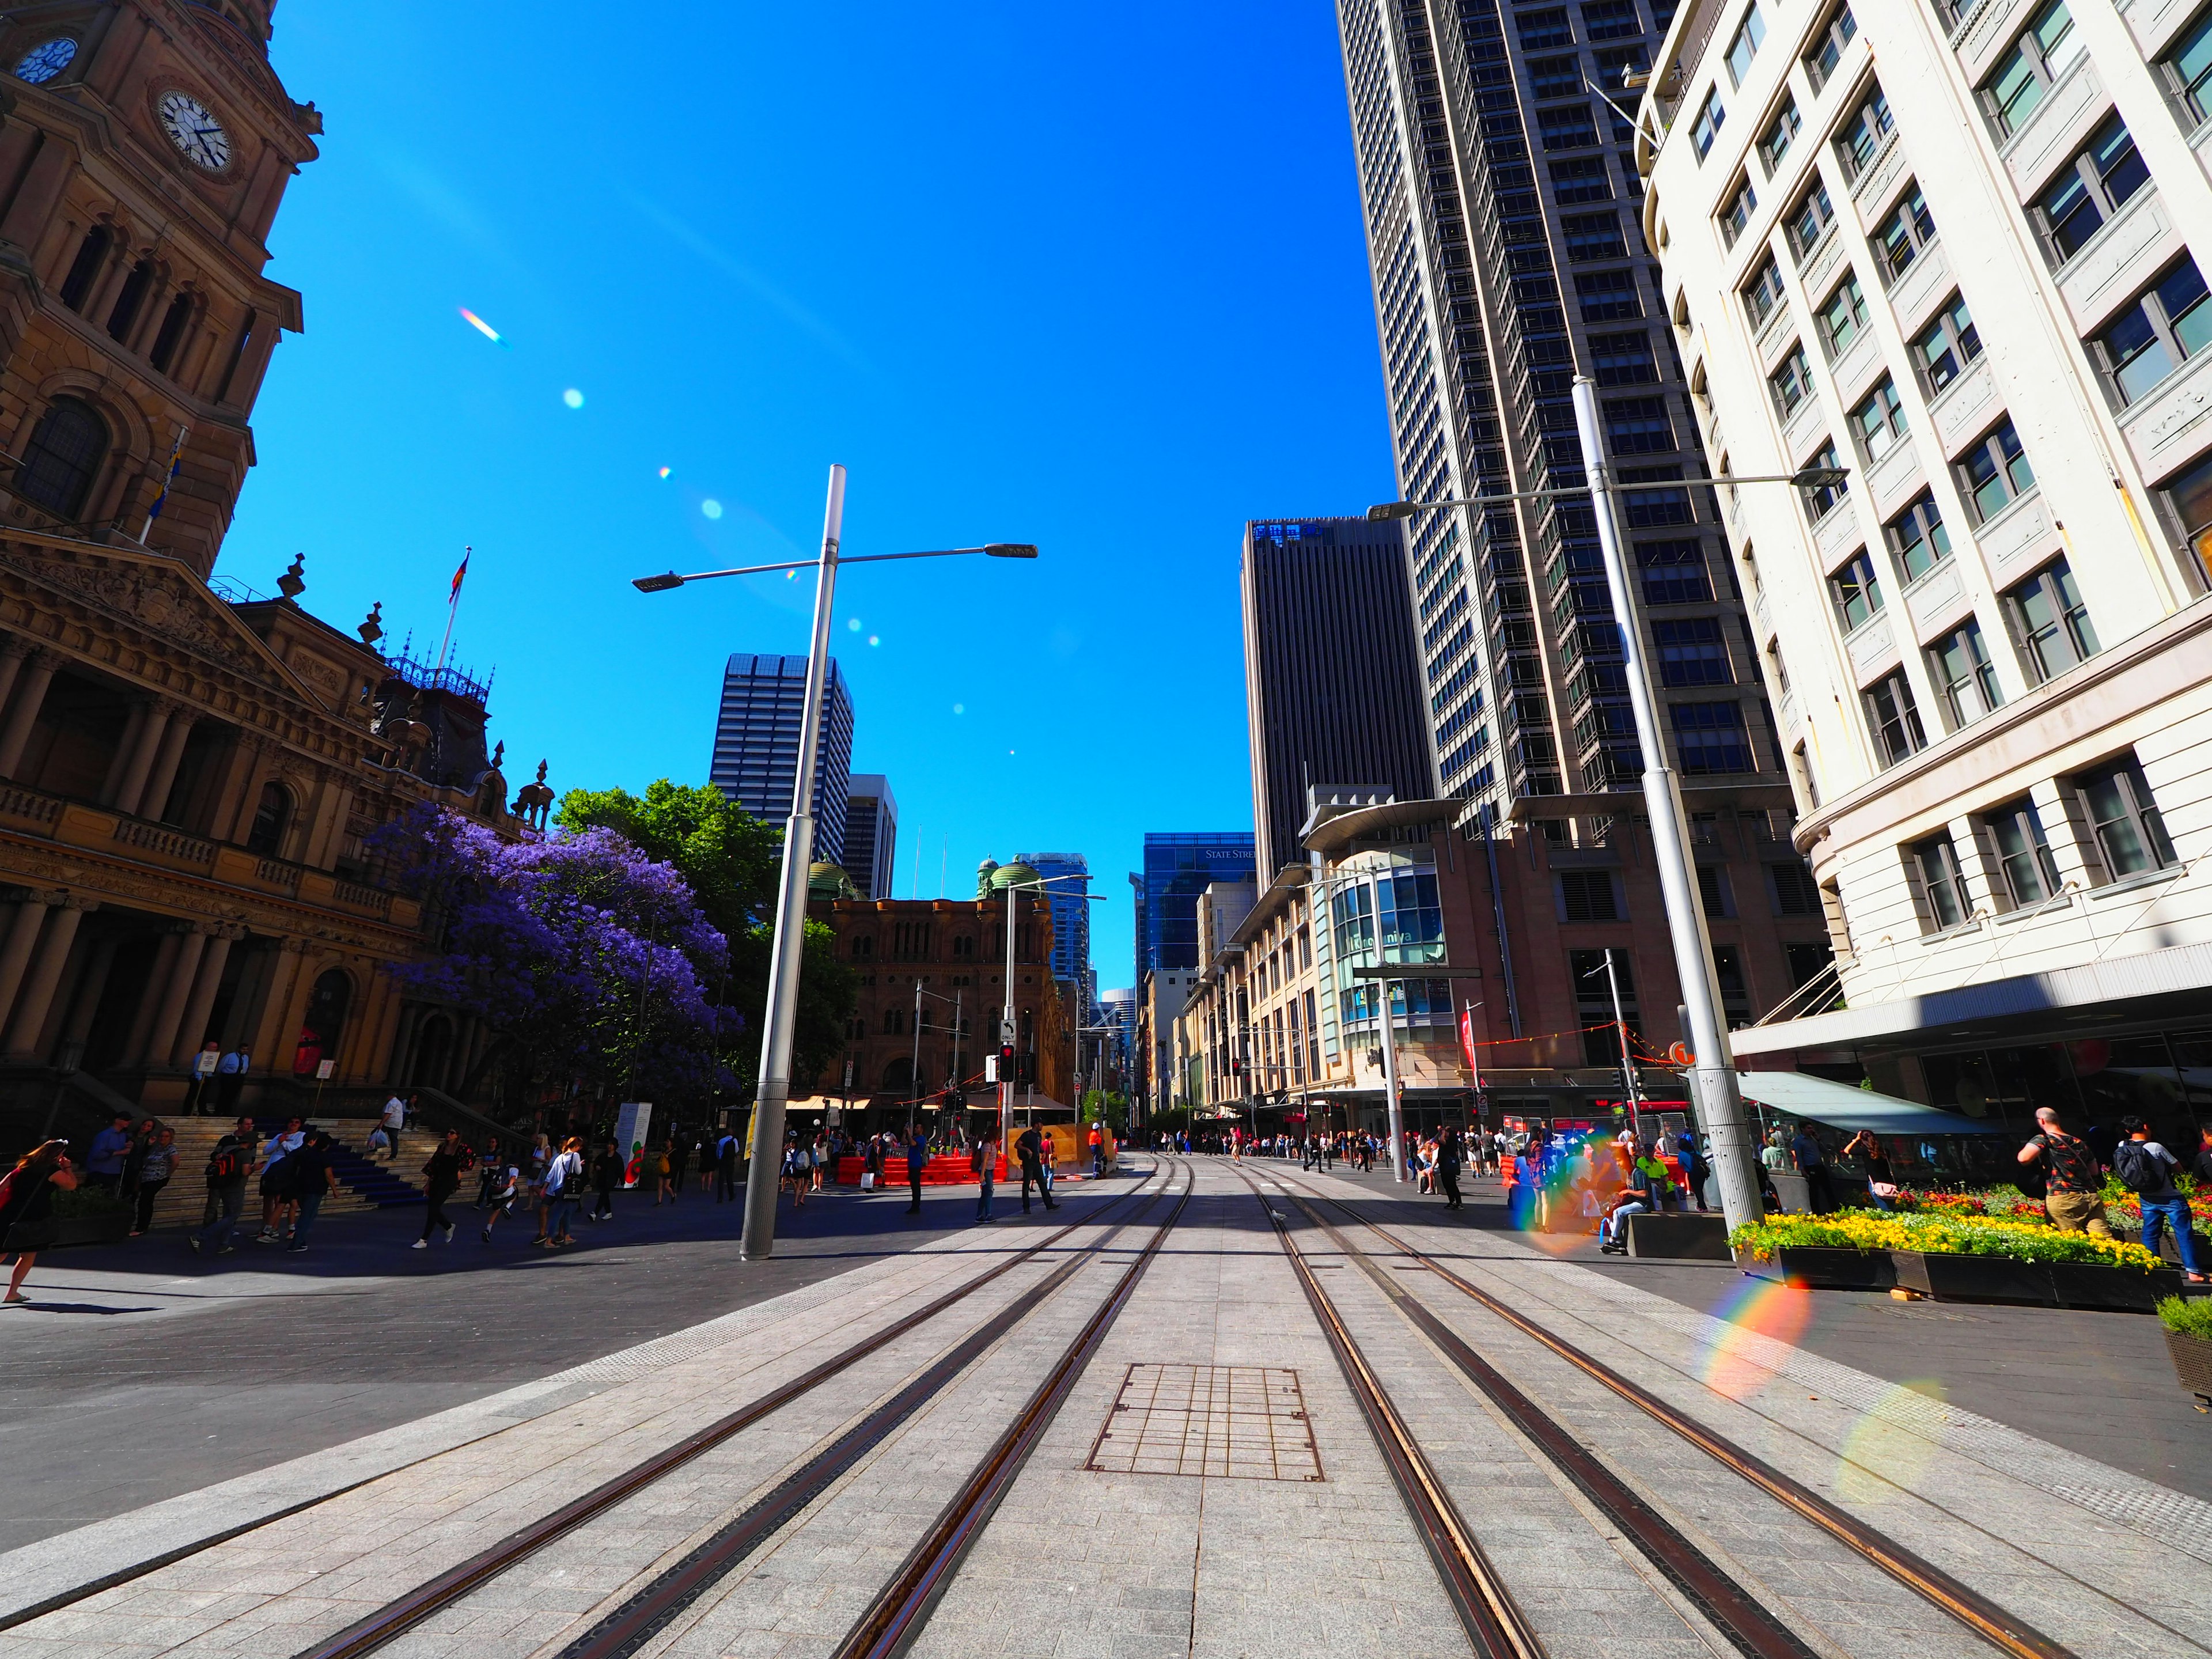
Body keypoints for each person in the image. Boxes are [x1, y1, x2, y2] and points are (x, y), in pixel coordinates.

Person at [2112, 1117, 2208, 1283]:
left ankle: (2153, 1267)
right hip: (2170, 1197)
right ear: (2146, 1126)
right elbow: (2178, 1168)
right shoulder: (2155, 1147)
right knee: (2184, 1233)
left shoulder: (2123, 1146)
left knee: (2150, 1232)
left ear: (2127, 1131)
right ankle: (2193, 1272)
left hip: (2146, 1196)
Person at [0, 1141, 77, 1302]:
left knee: (2, 1251)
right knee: (28, 1254)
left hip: (10, 1214)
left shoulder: (21, 1168)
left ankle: (13, 1293)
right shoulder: (52, 1170)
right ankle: (12, 1292)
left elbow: (1, 1187)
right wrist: (68, 1168)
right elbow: (71, 1185)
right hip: (35, 1216)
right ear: (57, 1155)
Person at [2017, 1107, 2109, 1237]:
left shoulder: (2044, 1139)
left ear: (2042, 1121)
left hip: (2063, 1197)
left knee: (2070, 1240)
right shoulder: (2079, 1142)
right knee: (2103, 1237)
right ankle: (2117, 1255)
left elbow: (2023, 1158)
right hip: (2090, 1196)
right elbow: (2094, 1171)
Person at [191, 1116, 256, 1256]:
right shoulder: (245, 1154)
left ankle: (224, 1244)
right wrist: (255, 1168)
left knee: (228, 1214)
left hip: (225, 1183)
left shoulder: (232, 1151)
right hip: (236, 1186)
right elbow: (246, 1171)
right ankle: (202, 1235)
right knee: (232, 1215)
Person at [285, 1129, 338, 1252]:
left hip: (301, 1187)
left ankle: (300, 1239)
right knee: (308, 1216)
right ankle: (297, 1242)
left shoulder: (305, 1154)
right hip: (315, 1189)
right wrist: (334, 1189)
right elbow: (329, 1175)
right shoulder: (324, 1158)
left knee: (307, 1213)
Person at [414, 1128, 465, 1248]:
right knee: (432, 1208)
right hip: (437, 1179)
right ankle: (448, 1226)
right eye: (448, 1132)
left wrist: (459, 1172)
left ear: (457, 1136)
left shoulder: (461, 1149)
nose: (449, 1134)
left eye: (452, 1133)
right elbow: (433, 1165)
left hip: (449, 1181)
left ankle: (424, 1239)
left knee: (434, 1208)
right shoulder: (442, 1147)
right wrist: (428, 1183)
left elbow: (467, 1162)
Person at [256, 1118, 306, 1242]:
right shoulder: (280, 1135)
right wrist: (279, 1141)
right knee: (267, 1200)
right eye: (291, 1122)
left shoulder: (301, 1136)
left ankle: (274, 1228)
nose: (293, 1125)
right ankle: (266, 1225)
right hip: (270, 1169)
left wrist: (284, 1143)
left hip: (284, 1170)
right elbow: (266, 1150)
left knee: (279, 1200)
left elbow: (296, 1150)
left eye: (297, 1122)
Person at [130, 1127, 177, 1236]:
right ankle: (144, 1226)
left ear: (171, 1138)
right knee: (147, 1201)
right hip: (147, 1178)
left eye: (166, 1136)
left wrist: (168, 1174)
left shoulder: (170, 1149)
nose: (163, 1138)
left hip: (157, 1178)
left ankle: (141, 1228)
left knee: (144, 1201)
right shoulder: (158, 1147)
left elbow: (176, 1162)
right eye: (162, 1136)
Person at [1842, 1130, 1899, 1213]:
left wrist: (1856, 1139)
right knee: (1891, 1207)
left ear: (1862, 1140)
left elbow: (1847, 1150)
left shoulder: (1865, 1151)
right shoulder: (1885, 1151)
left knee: (1886, 1210)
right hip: (1889, 1182)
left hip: (1875, 1183)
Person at [541, 1138, 584, 1247]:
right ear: (576, 1146)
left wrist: (544, 1187)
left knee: (568, 1212)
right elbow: (578, 1171)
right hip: (567, 1188)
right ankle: (549, 1239)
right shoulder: (575, 1156)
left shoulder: (560, 1157)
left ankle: (567, 1236)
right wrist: (579, 1164)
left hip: (557, 1188)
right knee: (558, 1214)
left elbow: (551, 1173)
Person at [1791, 1126, 1837, 1215]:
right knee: (1814, 1190)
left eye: (1812, 1128)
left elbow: (1825, 1151)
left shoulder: (1814, 1139)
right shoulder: (1799, 1141)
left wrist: (1819, 1140)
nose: (1812, 1130)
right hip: (1810, 1167)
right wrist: (1802, 1169)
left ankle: (1834, 1209)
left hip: (1819, 1166)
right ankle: (1816, 1212)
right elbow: (1799, 1156)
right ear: (1803, 1129)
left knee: (1828, 1188)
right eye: (1809, 1128)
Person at [84, 1112, 132, 1191]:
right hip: (99, 1171)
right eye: (126, 1120)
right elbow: (97, 1154)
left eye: (129, 1120)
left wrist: (128, 1147)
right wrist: (120, 1152)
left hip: (114, 1172)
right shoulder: (105, 1135)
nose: (128, 1122)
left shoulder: (124, 1136)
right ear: (117, 1120)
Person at [480, 1152, 522, 1243]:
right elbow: (513, 1178)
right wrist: (509, 1185)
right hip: (505, 1191)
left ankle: (488, 1230)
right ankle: (507, 1207)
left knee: (496, 1211)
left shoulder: (501, 1168)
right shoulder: (514, 1169)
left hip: (495, 1193)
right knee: (515, 1192)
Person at [1016, 1123, 1056, 1214]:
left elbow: (1038, 1146)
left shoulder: (1038, 1135)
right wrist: (1027, 1150)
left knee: (1042, 1182)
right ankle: (1026, 1207)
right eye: (1041, 1124)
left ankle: (1049, 1204)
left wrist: (1043, 1152)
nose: (1042, 1126)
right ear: (1036, 1125)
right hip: (1028, 1162)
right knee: (1026, 1184)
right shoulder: (1027, 1135)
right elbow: (1017, 1145)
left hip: (1036, 1162)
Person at [184, 1041, 222, 1114]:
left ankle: (202, 1110)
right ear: (207, 1047)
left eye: (216, 1047)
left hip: (208, 1077)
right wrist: (200, 1078)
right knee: (193, 1095)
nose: (215, 1049)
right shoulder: (201, 1056)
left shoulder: (213, 1057)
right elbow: (197, 1068)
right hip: (199, 1078)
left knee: (203, 1095)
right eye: (213, 1047)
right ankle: (187, 1112)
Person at [589, 1139, 622, 1221]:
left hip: (611, 1179)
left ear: (615, 1146)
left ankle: (595, 1213)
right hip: (602, 1178)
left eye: (611, 1145)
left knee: (603, 1195)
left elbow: (620, 1169)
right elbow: (597, 1162)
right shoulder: (603, 1155)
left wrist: (622, 1179)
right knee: (605, 1195)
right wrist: (597, 1167)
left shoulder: (617, 1157)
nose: (609, 1146)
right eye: (608, 1144)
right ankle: (609, 1212)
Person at [214, 1046, 251, 1115]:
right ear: (239, 1049)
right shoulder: (230, 1056)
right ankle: (218, 1111)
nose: (245, 1051)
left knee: (233, 1095)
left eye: (246, 1049)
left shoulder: (246, 1058)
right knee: (224, 1094)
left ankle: (228, 1111)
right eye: (243, 1049)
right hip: (228, 1077)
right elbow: (221, 1066)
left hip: (239, 1077)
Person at [973, 1127, 999, 1223]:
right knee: (989, 1192)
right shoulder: (987, 1145)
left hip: (990, 1170)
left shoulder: (993, 1144)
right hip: (986, 1170)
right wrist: (982, 1175)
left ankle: (979, 1215)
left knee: (985, 1193)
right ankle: (988, 1214)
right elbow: (984, 1161)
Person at [1436, 1126, 1464, 1211]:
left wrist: (1444, 1133)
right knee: (1447, 1185)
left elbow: (1441, 1140)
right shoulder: (1446, 1142)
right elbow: (1438, 1140)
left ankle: (1458, 1202)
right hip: (1444, 1166)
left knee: (1452, 1185)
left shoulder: (1450, 1142)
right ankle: (1452, 1201)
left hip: (1448, 1167)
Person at [906, 1124, 930, 1215]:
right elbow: (904, 1142)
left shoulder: (921, 1139)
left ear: (922, 1130)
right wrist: (906, 1134)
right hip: (912, 1164)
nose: (916, 1129)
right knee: (913, 1186)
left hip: (916, 1164)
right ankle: (914, 1205)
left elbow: (913, 1144)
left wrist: (909, 1132)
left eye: (917, 1128)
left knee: (916, 1186)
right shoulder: (914, 1137)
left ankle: (916, 1206)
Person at [715, 1124, 740, 1204]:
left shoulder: (721, 1140)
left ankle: (720, 1198)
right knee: (730, 1179)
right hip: (730, 1161)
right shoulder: (734, 1140)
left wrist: (719, 1158)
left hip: (723, 1161)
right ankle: (731, 1195)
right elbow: (736, 1150)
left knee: (721, 1180)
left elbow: (718, 1151)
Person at [378, 1093, 406, 1162]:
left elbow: (388, 1114)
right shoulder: (399, 1102)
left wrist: (382, 1123)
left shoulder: (391, 1103)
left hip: (390, 1123)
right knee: (394, 1140)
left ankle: (374, 1147)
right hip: (397, 1124)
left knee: (376, 1133)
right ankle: (393, 1155)